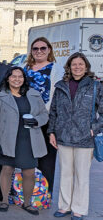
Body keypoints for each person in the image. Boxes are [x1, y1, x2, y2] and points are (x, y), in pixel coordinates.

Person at [48, 53, 103, 220]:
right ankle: (64, 206)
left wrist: (95, 128)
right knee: (65, 173)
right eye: (74, 64)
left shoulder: (95, 86)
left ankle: (78, 209)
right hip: (63, 136)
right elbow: (54, 111)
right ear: (69, 67)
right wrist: (52, 132)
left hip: (85, 138)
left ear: (86, 67)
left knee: (81, 175)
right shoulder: (61, 86)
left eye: (80, 64)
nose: (77, 67)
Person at [0, 67, 49, 216]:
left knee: (29, 172)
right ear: (8, 78)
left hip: (29, 138)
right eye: (13, 76)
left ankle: (27, 203)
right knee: (7, 169)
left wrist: (37, 121)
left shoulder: (34, 94)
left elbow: (44, 114)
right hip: (7, 139)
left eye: (20, 76)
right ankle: (4, 200)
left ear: (24, 78)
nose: (17, 79)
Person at [23, 37, 63, 192]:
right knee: (27, 158)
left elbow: (56, 97)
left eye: (43, 48)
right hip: (26, 119)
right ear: (31, 51)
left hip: (45, 119)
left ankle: (44, 194)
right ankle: (25, 192)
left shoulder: (56, 69)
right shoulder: (23, 67)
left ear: (49, 50)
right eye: (35, 49)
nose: (39, 51)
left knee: (46, 159)